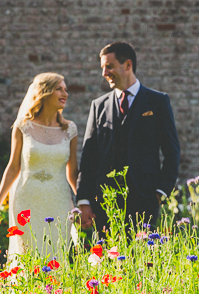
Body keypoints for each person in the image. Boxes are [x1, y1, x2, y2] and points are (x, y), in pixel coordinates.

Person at [77, 42, 180, 234]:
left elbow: (172, 151)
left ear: (128, 65)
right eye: (103, 68)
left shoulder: (157, 102)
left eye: (109, 66)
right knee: (108, 259)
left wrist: (161, 192)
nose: (104, 73)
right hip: (105, 202)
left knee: (141, 260)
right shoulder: (98, 106)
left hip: (145, 199)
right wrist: (84, 200)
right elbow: (89, 156)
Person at [0, 73, 79, 259]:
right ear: (45, 92)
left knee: (56, 255)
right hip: (26, 200)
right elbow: (13, 167)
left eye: (66, 89)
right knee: (28, 257)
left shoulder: (70, 130)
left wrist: (83, 204)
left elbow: (73, 172)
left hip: (58, 200)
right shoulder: (23, 126)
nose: (65, 93)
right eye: (59, 89)